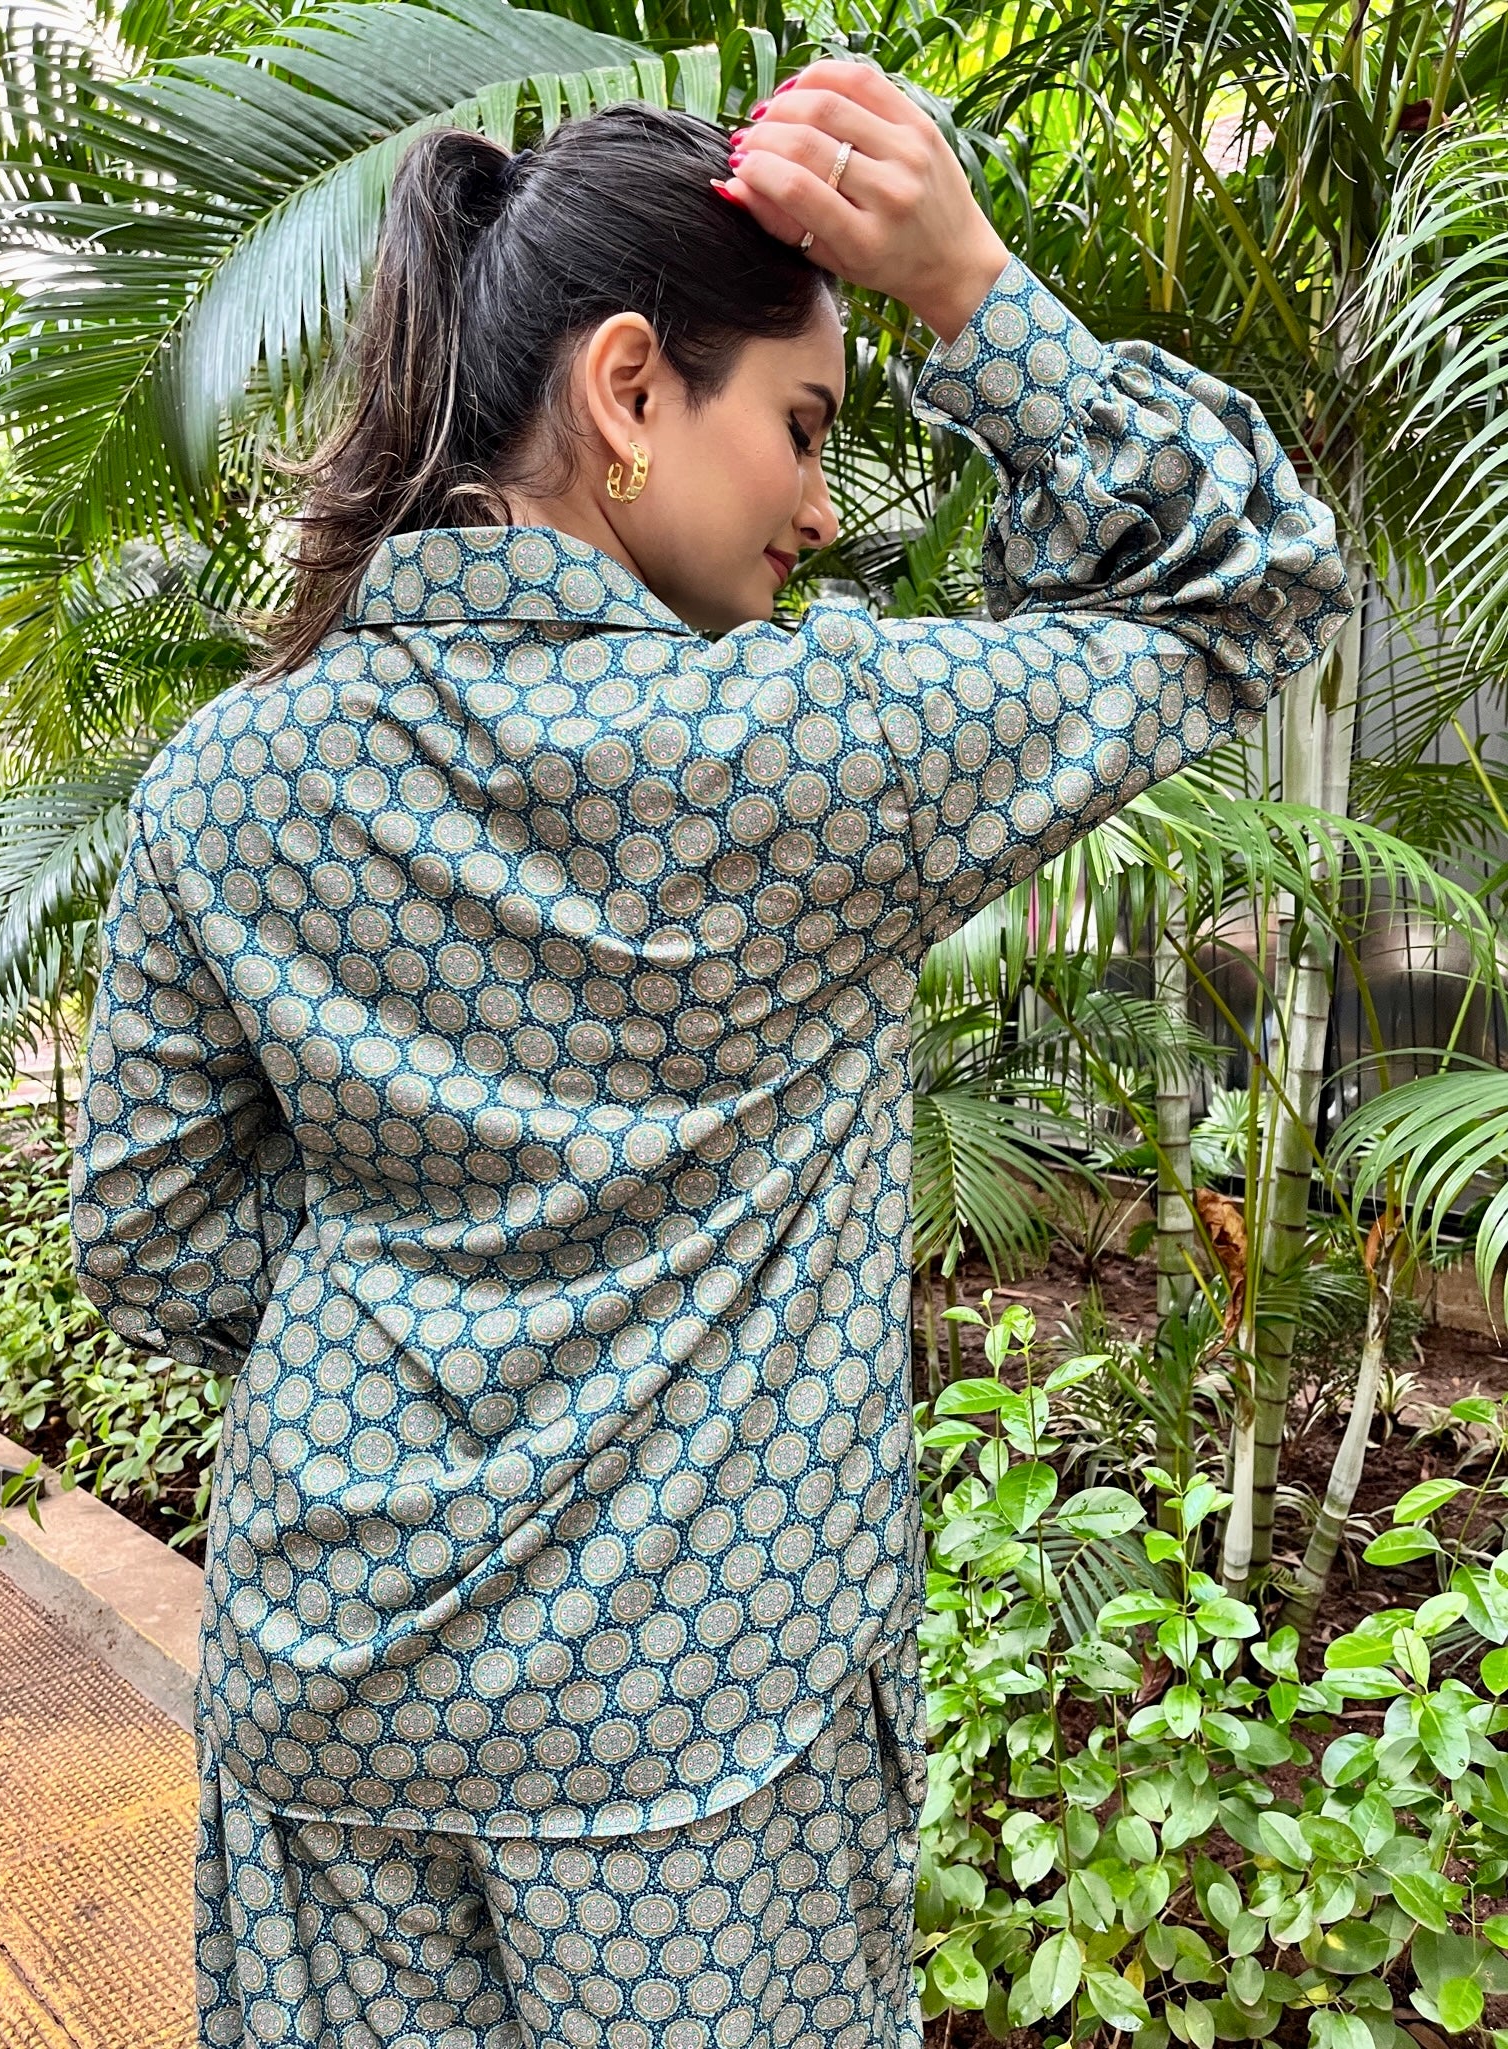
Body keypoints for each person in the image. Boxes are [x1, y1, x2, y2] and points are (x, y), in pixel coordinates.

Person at [69, 58, 1354, 2049]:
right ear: (629, 390)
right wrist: (968, 290)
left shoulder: (228, 779)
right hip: (693, 1732)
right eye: (804, 425)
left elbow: (149, 1231)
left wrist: (417, 1299)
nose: (823, 505)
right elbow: (1254, 585)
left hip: (332, 1681)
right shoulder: (824, 759)